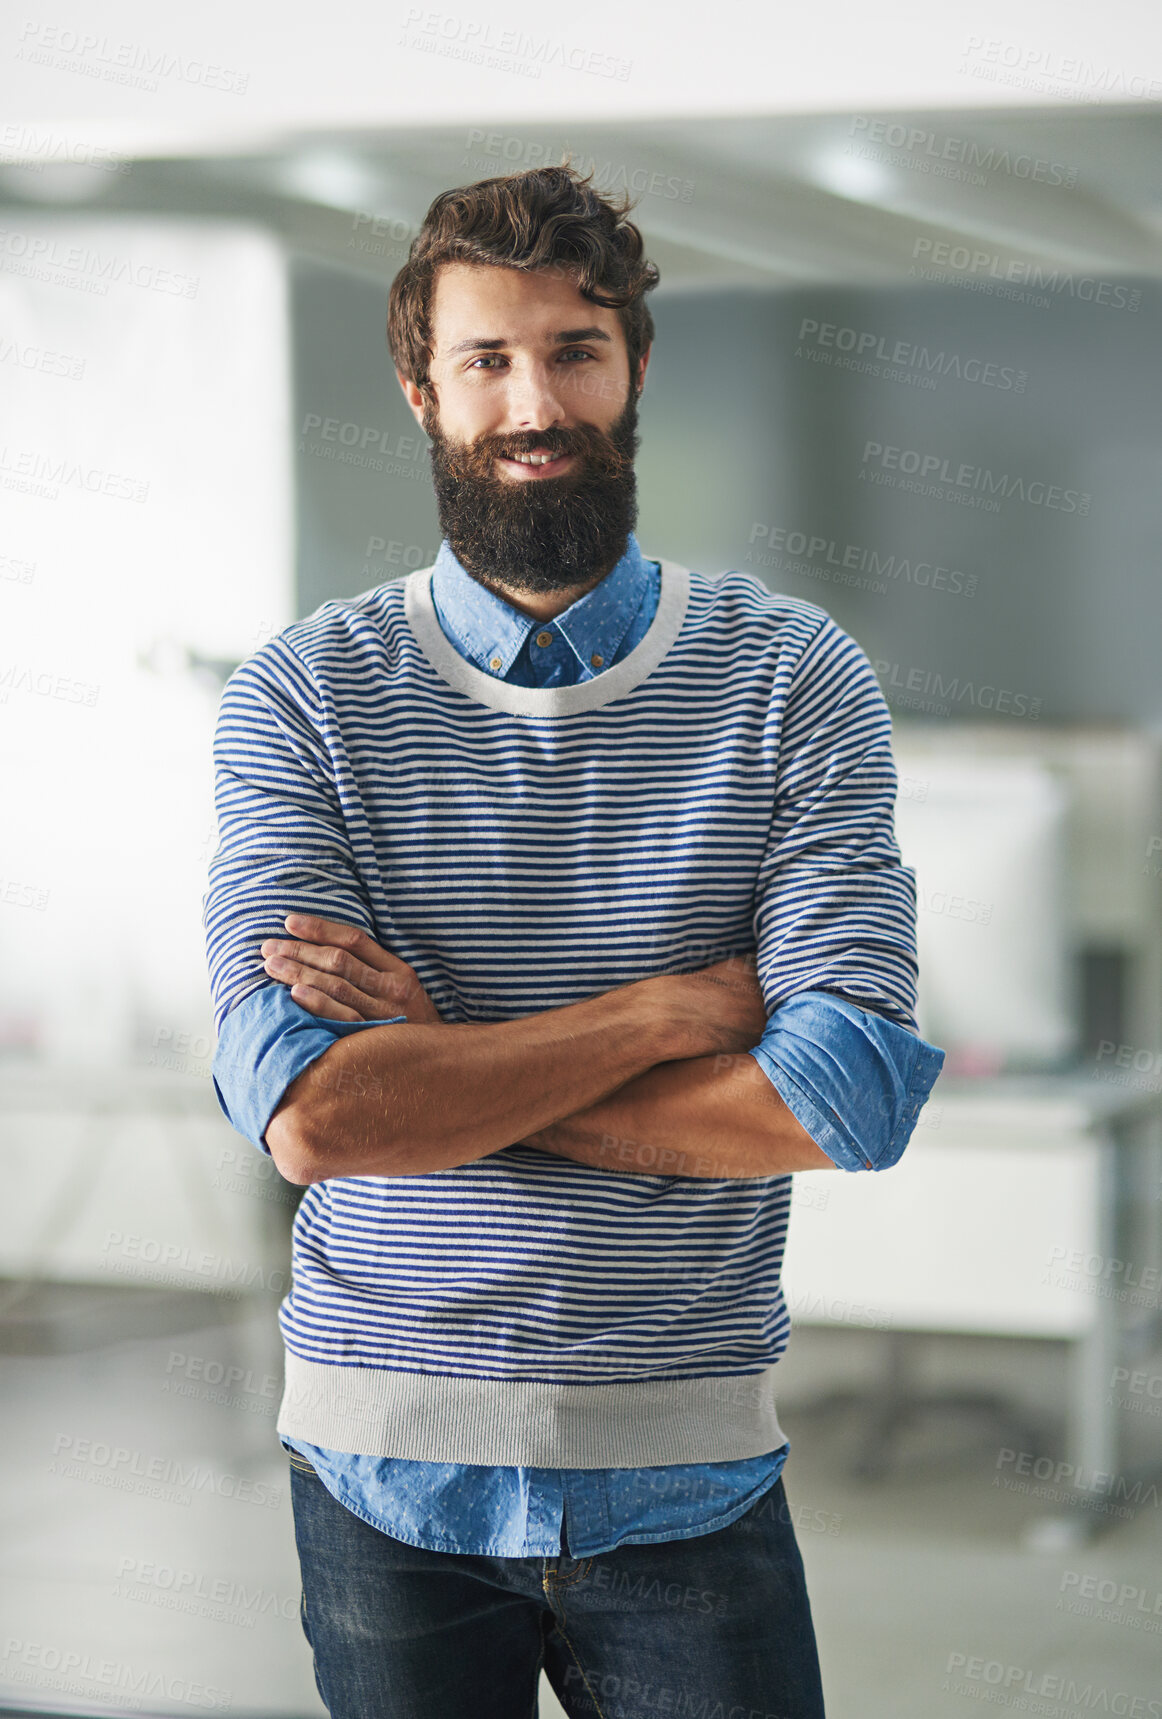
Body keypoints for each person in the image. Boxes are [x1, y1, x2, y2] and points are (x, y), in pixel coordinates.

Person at [204, 162, 944, 1719]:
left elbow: (844, 1104)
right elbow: (317, 1118)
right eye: (486, 359)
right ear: (419, 390)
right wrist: (677, 1010)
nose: (533, 400)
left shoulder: (790, 676)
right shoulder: (304, 696)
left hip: (690, 1472)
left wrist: (444, 1057)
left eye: (574, 352)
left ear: (634, 371)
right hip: (380, 1474)